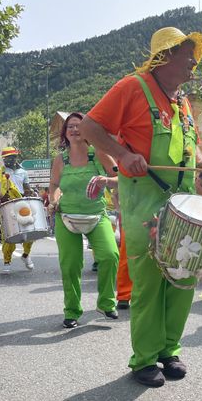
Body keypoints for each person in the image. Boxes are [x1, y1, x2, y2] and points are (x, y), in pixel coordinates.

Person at [80, 26, 202, 387]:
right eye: (188, 58)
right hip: (144, 204)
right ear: (166, 56)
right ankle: (144, 359)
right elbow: (90, 127)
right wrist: (122, 155)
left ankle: (169, 350)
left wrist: (201, 160)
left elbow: (192, 144)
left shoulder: (181, 101)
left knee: (183, 278)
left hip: (184, 205)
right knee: (150, 282)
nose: (193, 66)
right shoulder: (131, 87)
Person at [48, 112, 120, 329]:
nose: (74, 130)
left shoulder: (98, 154)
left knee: (109, 255)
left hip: (97, 215)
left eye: (79, 126)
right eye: (70, 127)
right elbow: (53, 185)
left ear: (87, 130)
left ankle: (106, 302)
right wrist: (53, 200)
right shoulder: (61, 159)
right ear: (65, 133)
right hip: (67, 217)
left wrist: (106, 180)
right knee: (70, 265)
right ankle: (72, 310)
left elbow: (120, 178)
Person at [0, 147, 36, 272]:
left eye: (13, 156)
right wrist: (1, 197)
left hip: (22, 205)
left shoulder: (23, 172)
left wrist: (30, 193)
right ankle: (7, 261)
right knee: (8, 235)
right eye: (8, 157)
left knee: (29, 232)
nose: (10, 159)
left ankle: (25, 255)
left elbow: (26, 188)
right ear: (4, 159)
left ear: (16, 157)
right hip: (7, 205)